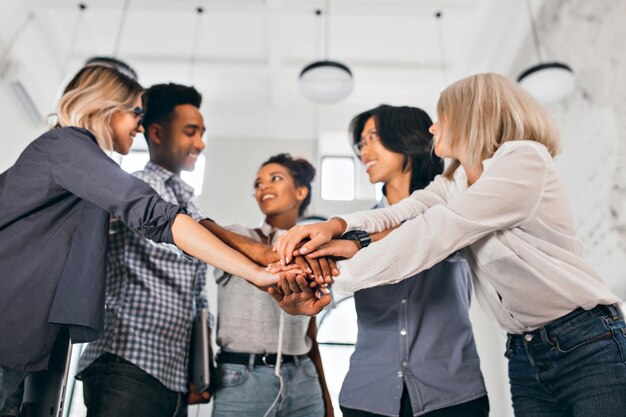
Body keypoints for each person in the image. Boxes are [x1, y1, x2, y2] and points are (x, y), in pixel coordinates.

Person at [272, 73, 626, 417]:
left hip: (585, 340)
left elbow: (434, 231)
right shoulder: (454, 181)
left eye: (441, 117)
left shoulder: (523, 159)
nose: (432, 127)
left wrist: (334, 281)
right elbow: (404, 214)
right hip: (524, 351)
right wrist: (337, 225)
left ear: (473, 116)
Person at [0, 64, 276, 412]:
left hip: (30, 336)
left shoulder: (78, 167)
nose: (140, 125)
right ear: (105, 106)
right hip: (27, 330)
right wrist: (257, 274)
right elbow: (157, 216)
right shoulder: (66, 145)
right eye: (136, 113)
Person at [271, 105, 489, 417]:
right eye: (360, 143)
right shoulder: (354, 226)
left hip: (452, 393)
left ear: (406, 138)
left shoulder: (455, 207)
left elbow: (426, 234)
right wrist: (299, 302)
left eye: (373, 137)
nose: (364, 150)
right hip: (368, 395)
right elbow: (328, 288)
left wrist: (354, 243)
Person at [76, 83, 213, 417]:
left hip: (175, 375)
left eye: (202, 133)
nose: (200, 143)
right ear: (156, 133)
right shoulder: (131, 190)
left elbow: (198, 297)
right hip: (126, 363)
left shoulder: (188, 202)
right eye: (191, 132)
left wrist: (200, 364)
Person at [211, 153, 333, 417]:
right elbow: (206, 229)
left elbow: (310, 333)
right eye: (258, 183)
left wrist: (326, 399)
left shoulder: (314, 249)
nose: (263, 187)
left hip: (304, 378)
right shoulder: (235, 235)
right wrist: (272, 254)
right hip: (241, 379)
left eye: (275, 179)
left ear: (300, 191)